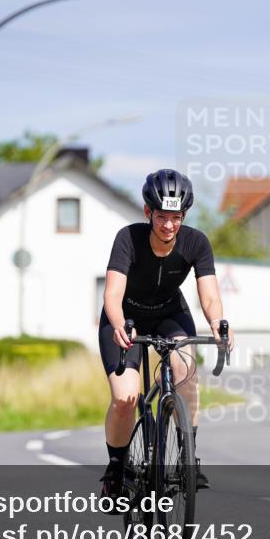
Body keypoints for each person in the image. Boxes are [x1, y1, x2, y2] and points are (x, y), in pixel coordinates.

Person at [98, 168, 235, 500]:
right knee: (126, 397)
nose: (169, 225)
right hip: (125, 318)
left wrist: (218, 324)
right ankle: (116, 469)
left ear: (184, 214)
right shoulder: (128, 238)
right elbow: (112, 295)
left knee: (185, 373)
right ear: (148, 212)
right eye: (162, 217)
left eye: (176, 217)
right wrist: (118, 325)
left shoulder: (196, 242)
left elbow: (210, 296)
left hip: (169, 315)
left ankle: (189, 456)